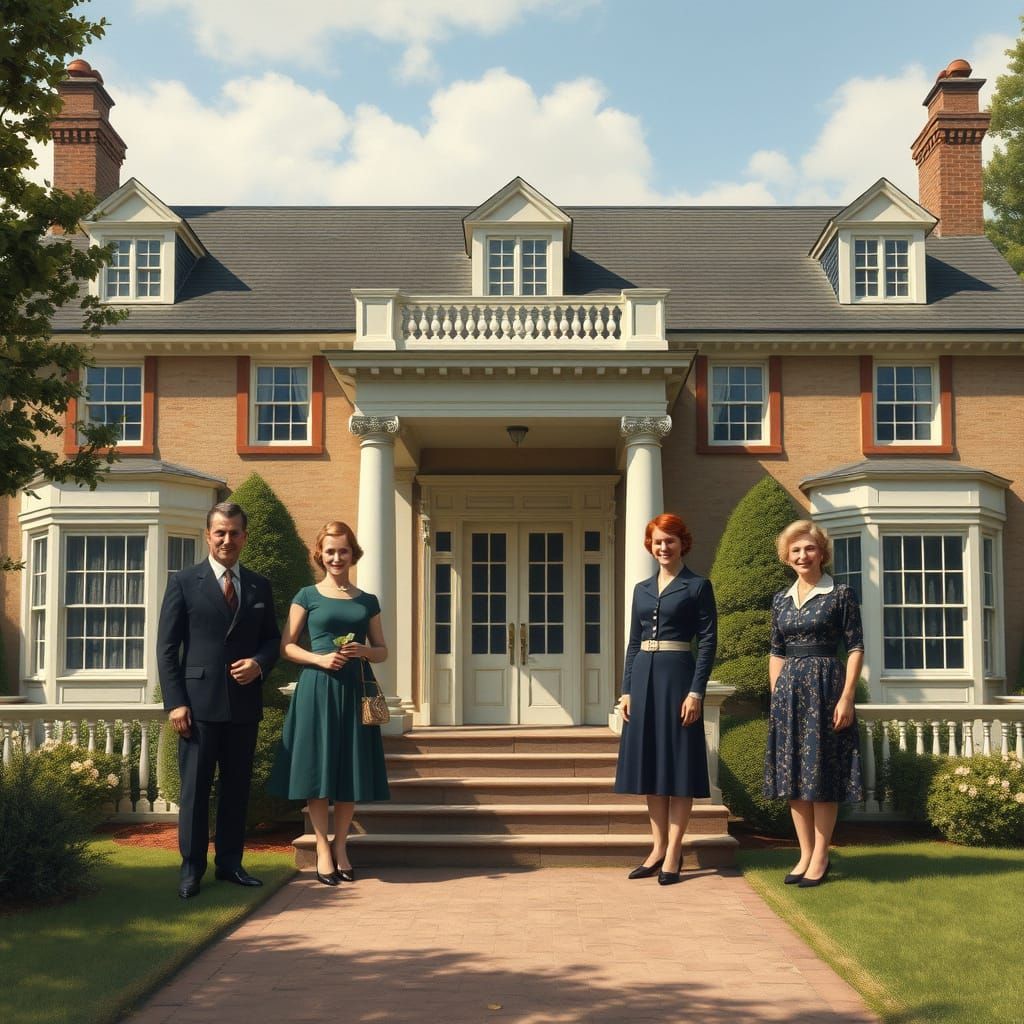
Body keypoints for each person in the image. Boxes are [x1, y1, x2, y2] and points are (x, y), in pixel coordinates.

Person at [157, 501, 281, 900]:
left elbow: (272, 639)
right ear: (208, 534)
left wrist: (259, 664)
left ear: (245, 536)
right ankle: (191, 870)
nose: (227, 539)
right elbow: (166, 648)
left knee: (236, 789)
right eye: (220, 532)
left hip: (243, 704)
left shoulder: (260, 585)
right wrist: (176, 702)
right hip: (196, 705)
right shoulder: (184, 581)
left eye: (234, 532)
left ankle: (230, 864)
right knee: (195, 791)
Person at [269, 521, 390, 885]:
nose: (337, 557)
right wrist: (320, 659)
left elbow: (382, 651)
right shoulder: (306, 595)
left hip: (354, 690)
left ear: (354, 554)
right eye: (330, 551)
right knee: (318, 769)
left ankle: (341, 847)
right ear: (319, 554)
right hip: (317, 689)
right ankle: (322, 847)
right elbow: (286, 646)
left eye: (343, 551)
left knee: (349, 770)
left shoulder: (367, 601)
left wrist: (364, 650)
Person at [613, 513, 718, 886]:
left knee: (678, 769)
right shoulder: (640, 589)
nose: (663, 547)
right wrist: (626, 690)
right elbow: (631, 642)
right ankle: (656, 848)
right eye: (657, 541)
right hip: (643, 679)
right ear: (650, 545)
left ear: (682, 543)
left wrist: (695, 691)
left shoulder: (698, 586)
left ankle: (675, 850)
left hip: (678, 679)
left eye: (669, 541)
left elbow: (707, 643)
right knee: (652, 769)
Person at [763, 520, 864, 888]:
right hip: (789, 694)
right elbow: (776, 651)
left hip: (827, 690)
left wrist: (847, 696)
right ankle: (804, 853)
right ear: (787, 557)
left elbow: (854, 648)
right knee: (794, 775)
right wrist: (778, 693)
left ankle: (821, 855)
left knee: (821, 772)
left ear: (821, 552)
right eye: (796, 550)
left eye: (809, 548)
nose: (802, 555)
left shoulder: (841, 594)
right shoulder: (780, 599)